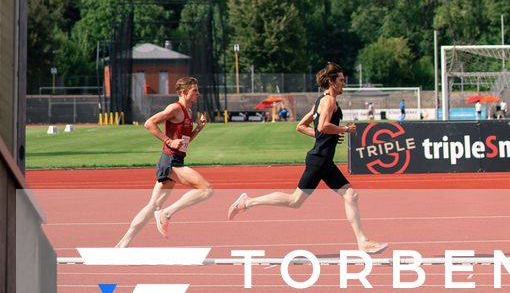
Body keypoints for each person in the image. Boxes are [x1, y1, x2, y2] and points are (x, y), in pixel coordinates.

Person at [228, 62, 386, 253]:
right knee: (295, 201)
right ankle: (247, 202)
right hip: (319, 160)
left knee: (351, 195)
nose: (344, 83)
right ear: (331, 81)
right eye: (341, 80)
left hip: (324, 161)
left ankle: (363, 242)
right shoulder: (329, 101)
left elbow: (301, 126)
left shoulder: (320, 101)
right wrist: (344, 129)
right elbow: (323, 127)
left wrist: (328, 134)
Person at [114, 76, 212, 246]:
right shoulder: (175, 108)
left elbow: (184, 143)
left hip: (175, 159)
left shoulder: (188, 112)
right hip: (170, 161)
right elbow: (149, 123)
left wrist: (198, 129)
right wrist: (168, 141)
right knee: (206, 189)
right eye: (195, 90)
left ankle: (122, 244)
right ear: (184, 92)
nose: (198, 94)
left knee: (152, 206)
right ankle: (166, 213)